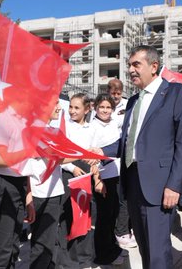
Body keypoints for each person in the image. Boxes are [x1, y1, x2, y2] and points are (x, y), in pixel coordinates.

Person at [102, 45, 182, 269]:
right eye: (129, 65)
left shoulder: (176, 93)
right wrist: (100, 151)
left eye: (136, 64)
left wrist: (174, 184)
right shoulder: (133, 101)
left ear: (154, 67)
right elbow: (127, 142)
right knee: (145, 249)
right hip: (133, 183)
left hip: (160, 186)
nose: (131, 70)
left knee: (158, 253)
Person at [0, 138, 35, 269]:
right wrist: (34, 151)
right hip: (0, 184)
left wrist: (28, 196)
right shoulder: (4, 119)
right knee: (0, 252)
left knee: (13, 249)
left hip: (18, 183)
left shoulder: (25, 123)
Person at [57, 93, 96, 269]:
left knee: (85, 218)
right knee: (68, 218)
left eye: (77, 107)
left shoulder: (92, 128)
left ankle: (85, 258)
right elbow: (60, 154)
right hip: (69, 174)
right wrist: (72, 168)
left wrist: (96, 165)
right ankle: (67, 261)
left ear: (87, 109)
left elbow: (96, 152)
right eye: (70, 107)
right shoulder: (65, 127)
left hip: (87, 176)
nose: (72, 111)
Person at [89, 94, 126, 266]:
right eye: (102, 107)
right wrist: (97, 180)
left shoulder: (113, 123)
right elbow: (92, 157)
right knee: (104, 218)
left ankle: (112, 247)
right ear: (95, 107)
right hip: (102, 177)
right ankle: (102, 255)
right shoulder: (92, 127)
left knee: (113, 215)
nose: (105, 110)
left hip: (115, 175)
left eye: (108, 107)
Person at [29, 100, 65, 269]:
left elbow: (61, 156)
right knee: (41, 242)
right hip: (38, 191)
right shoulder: (31, 131)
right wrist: (86, 153)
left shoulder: (54, 131)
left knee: (50, 240)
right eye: (55, 103)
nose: (59, 107)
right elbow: (57, 155)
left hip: (54, 191)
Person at [107, 79, 137, 249]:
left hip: (125, 156)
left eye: (119, 93)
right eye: (113, 93)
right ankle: (118, 230)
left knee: (125, 197)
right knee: (113, 199)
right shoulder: (104, 105)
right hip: (109, 158)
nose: (116, 96)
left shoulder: (128, 104)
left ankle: (124, 229)